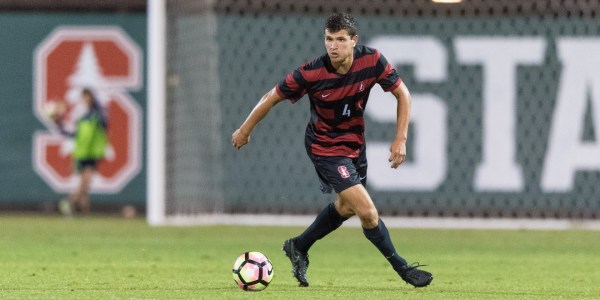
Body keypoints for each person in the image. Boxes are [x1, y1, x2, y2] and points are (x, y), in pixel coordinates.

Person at [231, 13, 433, 288]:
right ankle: (402, 268)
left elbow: (403, 94)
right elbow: (271, 97)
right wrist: (245, 130)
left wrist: (401, 138)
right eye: (328, 39)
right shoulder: (311, 72)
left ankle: (299, 245)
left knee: (347, 206)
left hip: (354, 145)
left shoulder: (372, 60)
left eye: (340, 40)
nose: (333, 46)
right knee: (368, 212)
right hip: (324, 146)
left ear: (354, 41)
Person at [55, 88, 108, 215]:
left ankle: (84, 211)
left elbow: (104, 122)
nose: (86, 99)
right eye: (84, 96)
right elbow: (71, 134)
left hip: (92, 153)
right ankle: (69, 202)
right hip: (81, 153)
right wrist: (58, 122)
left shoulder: (97, 115)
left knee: (85, 183)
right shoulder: (82, 118)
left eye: (88, 96)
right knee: (84, 183)